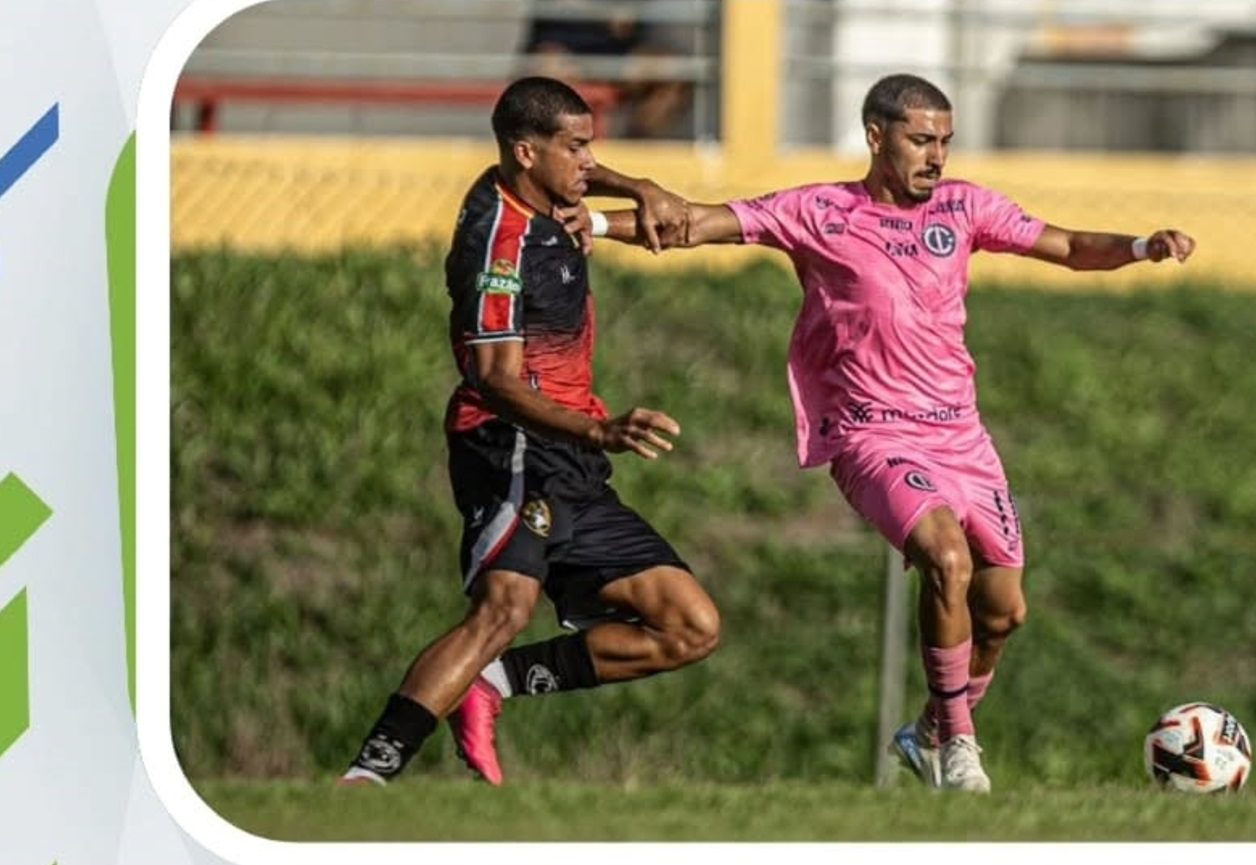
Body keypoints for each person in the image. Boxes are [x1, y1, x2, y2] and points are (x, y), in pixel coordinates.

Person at [596, 74, 1195, 793]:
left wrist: (1140, 245)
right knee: (945, 559)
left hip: (962, 438)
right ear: (876, 136)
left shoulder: (965, 206)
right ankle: (960, 752)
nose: (936, 155)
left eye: (944, 140)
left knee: (1002, 615)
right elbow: (696, 223)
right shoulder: (819, 211)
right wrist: (595, 226)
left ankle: (926, 731)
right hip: (871, 435)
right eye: (920, 139)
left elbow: (1066, 245)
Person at [340, 76, 718, 787]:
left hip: (569, 451)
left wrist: (631, 183)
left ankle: (493, 686)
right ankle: (368, 775)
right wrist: (597, 429)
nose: (587, 165)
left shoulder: (542, 190)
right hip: (511, 440)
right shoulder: (499, 247)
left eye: (590, 148)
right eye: (576, 150)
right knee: (502, 608)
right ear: (525, 152)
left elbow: (575, 165)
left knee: (688, 624)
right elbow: (495, 380)